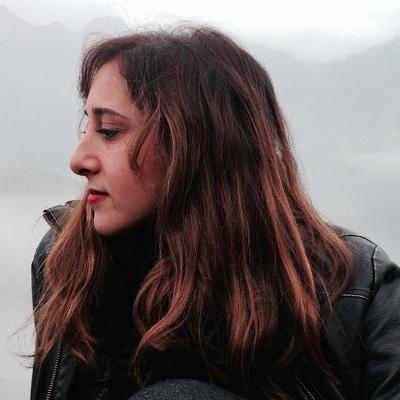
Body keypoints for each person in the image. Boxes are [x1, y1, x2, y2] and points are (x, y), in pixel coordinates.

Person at [29, 26, 400, 400]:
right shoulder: (68, 259)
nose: (78, 160)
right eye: (87, 126)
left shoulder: (356, 288)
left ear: (192, 146)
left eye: (109, 130)